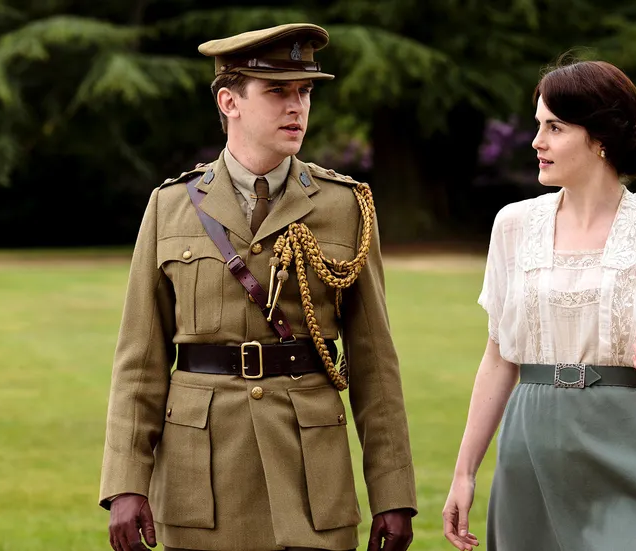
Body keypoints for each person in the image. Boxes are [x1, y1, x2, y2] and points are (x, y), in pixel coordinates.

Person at [99, 23, 416, 551]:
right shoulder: (171, 206)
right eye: (277, 91)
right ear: (230, 102)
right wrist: (126, 482)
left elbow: (375, 363)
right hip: (202, 482)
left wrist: (393, 492)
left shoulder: (345, 206)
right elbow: (140, 359)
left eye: (304, 91)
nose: (297, 107)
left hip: (311, 481)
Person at [442, 60, 636, 551]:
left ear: (599, 139)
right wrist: (464, 473)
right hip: (528, 449)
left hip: (624, 446)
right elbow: (499, 358)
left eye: (555, 127)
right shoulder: (512, 226)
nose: (536, 142)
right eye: (538, 125)